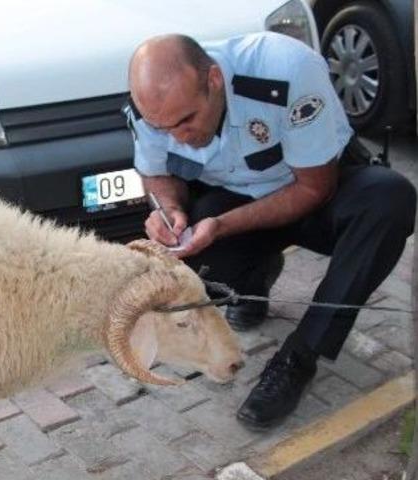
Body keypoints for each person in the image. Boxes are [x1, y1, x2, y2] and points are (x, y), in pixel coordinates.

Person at [126, 32, 416, 429]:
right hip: (236, 199)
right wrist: (169, 210)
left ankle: (300, 356)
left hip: (319, 192)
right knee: (191, 268)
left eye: (187, 121)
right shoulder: (154, 107)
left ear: (213, 81)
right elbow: (156, 174)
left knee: (389, 200)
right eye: (164, 128)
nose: (179, 136)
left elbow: (315, 188)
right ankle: (256, 277)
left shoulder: (286, 71)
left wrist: (222, 225)